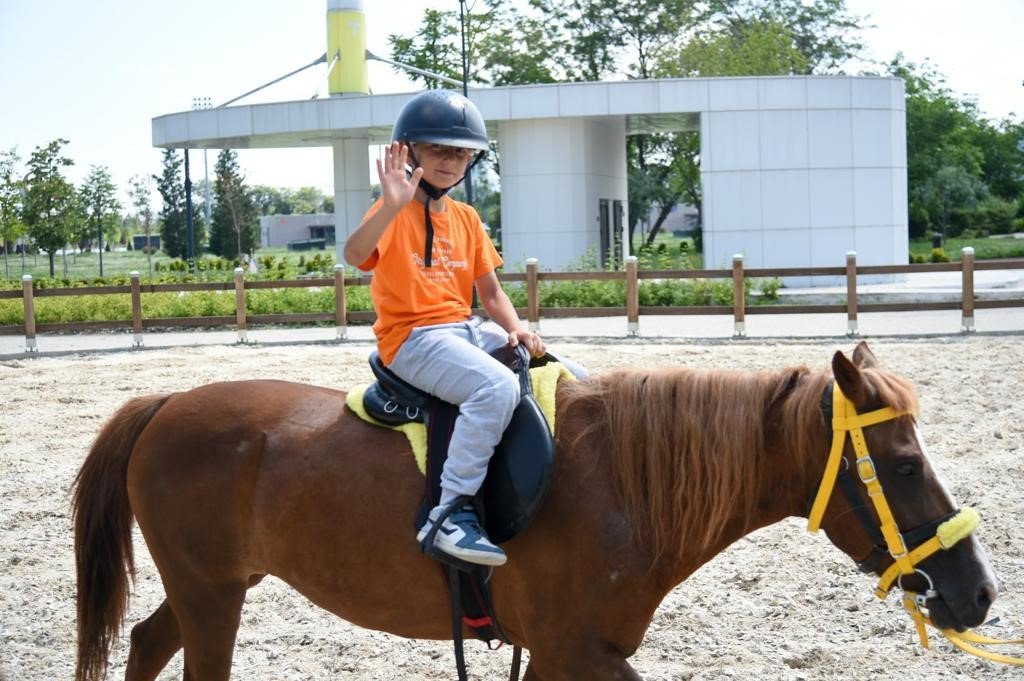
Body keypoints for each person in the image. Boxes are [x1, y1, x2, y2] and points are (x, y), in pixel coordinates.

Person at [343, 90, 545, 567]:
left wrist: (518, 329)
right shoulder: (391, 210)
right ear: (409, 150)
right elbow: (354, 258)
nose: (451, 161)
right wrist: (391, 205)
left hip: (466, 328)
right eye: (439, 149)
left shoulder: (467, 218)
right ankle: (449, 513)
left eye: (461, 152)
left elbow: (491, 294)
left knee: (558, 369)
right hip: (413, 338)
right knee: (495, 388)